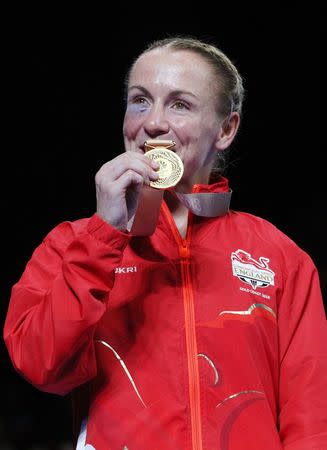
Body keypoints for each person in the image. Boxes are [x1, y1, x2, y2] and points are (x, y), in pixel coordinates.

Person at [3, 36, 327, 450]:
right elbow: (43, 367)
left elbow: (310, 417)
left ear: (226, 129)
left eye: (179, 104)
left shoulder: (280, 256)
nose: (153, 123)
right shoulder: (71, 244)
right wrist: (104, 235)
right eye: (140, 100)